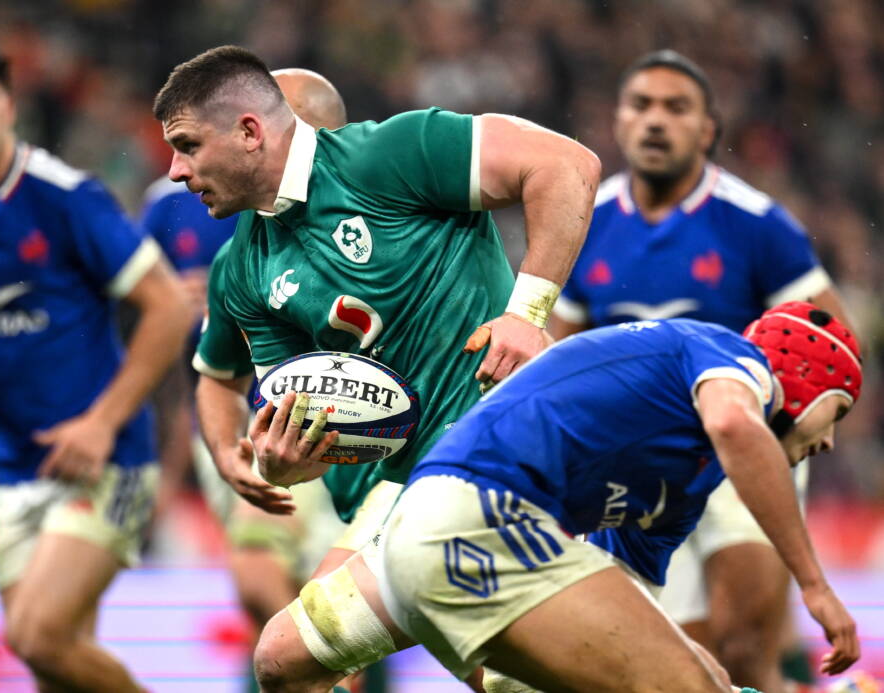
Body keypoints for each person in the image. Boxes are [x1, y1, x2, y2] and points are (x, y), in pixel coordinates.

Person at [153, 45, 600, 689]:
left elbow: (566, 165)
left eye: (187, 145)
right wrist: (282, 460)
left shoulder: (390, 153)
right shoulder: (247, 266)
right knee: (286, 661)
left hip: (499, 451)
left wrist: (527, 313)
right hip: (402, 486)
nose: (173, 171)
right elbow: (302, 409)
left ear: (250, 132)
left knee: (517, 674)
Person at [0, 35, 192, 692]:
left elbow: (167, 308)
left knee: (36, 634)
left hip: (109, 459)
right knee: (55, 664)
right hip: (17, 467)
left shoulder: (66, 197)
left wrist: (102, 422)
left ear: (10, 107)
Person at [548, 49, 851, 692]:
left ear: (708, 130)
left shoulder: (756, 223)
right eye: (642, 105)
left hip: (746, 446)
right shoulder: (585, 221)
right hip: (645, 460)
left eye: (676, 108)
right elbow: (559, 350)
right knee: (683, 656)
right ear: (618, 120)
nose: (656, 121)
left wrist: (799, 430)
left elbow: (838, 344)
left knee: (743, 643)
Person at [378, 303, 862, 692]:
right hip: (479, 520)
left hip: (437, 537)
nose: (828, 444)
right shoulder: (726, 352)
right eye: (836, 413)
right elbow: (734, 424)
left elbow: (630, 605)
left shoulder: (683, 479)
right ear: (804, 376)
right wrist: (814, 586)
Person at [145, 68, 357, 692]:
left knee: (347, 614)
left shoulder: (383, 198)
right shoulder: (202, 225)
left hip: (379, 442)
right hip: (268, 428)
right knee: (266, 587)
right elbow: (197, 362)